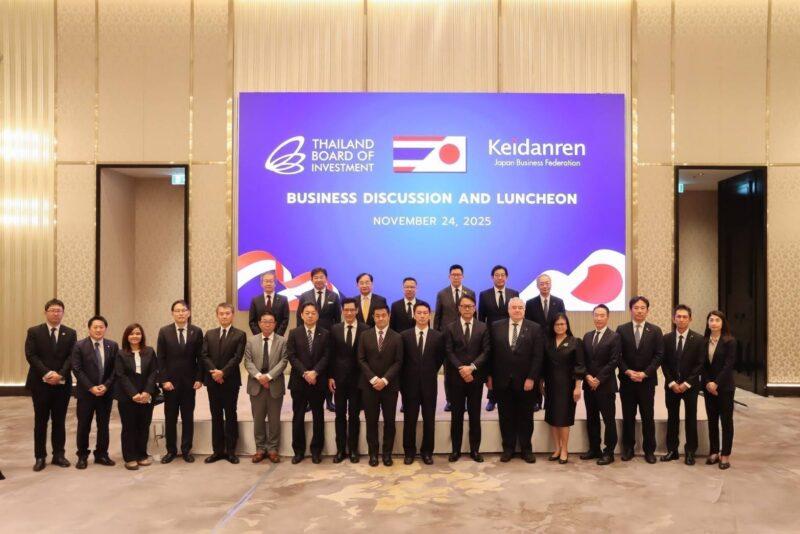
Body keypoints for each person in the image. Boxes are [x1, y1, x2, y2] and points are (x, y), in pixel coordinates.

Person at [488, 297, 543, 463]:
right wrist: (489, 377)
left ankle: (526, 449)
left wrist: (532, 378)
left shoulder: (534, 328)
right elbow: (490, 354)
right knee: (505, 416)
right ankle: (508, 449)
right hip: (502, 381)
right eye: (514, 307)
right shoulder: (496, 326)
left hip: (526, 382)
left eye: (520, 307)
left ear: (524, 310)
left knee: (526, 417)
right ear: (508, 310)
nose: (517, 310)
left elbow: (538, 356)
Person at [25, 298, 77, 472]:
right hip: (40, 383)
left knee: (59, 421)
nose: (56, 313)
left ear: (63, 313)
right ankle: (40, 456)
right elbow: (31, 355)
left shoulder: (70, 333)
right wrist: (47, 373)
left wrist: (60, 374)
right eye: (52, 310)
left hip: (62, 384)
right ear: (45, 312)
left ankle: (59, 455)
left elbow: (72, 356)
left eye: (59, 310)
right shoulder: (34, 331)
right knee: (40, 421)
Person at [616, 296, 664, 464]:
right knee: (628, 416)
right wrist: (627, 371)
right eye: (636, 308)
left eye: (643, 308)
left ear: (647, 310)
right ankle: (628, 448)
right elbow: (617, 355)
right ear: (631, 310)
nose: (639, 311)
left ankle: (649, 450)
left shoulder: (655, 330)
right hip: (627, 381)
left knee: (647, 416)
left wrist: (645, 373)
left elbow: (659, 355)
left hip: (647, 382)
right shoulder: (622, 329)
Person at [156, 299, 203, 464]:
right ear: (172, 313)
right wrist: (164, 380)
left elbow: (201, 358)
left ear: (188, 313)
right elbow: (160, 358)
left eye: (183, 310)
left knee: (188, 417)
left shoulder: (196, 331)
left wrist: (199, 378)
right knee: (170, 418)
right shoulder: (164, 331)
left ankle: (186, 450)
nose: (181, 313)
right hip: (170, 384)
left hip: (190, 383)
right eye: (177, 310)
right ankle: (171, 451)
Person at [444, 294, 489, 462]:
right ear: (459, 308)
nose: (467, 309)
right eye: (464, 306)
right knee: (456, 415)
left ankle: (474, 450)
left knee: (475, 415)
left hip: (475, 378)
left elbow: (486, 351)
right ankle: (455, 450)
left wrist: (472, 368)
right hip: (456, 379)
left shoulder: (483, 327)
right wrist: (462, 369)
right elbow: (448, 351)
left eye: (470, 306)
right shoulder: (450, 327)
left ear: (475, 308)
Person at [200, 303, 246, 464]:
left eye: (227, 313)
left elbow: (237, 358)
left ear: (232, 315)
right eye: (221, 313)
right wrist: (215, 373)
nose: (224, 316)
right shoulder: (209, 334)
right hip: (213, 381)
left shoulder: (240, 334)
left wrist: (223, 373)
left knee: (231, 414)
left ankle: (231, 451)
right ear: (217, 315)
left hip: (230, 381)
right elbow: (204, 355)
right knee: (216, 415)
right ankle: (217, 451)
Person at [358, 303, 403, 466]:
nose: (380, 318)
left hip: (389, 386)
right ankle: (373, 454)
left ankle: (387, 454)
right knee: (371, 421)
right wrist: (373, 379)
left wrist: (384, 380)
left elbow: (398, 362)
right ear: (373, 317)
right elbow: (361, 359)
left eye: (383, 315)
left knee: (389, 422)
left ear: (389, 316)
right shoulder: (365, 335)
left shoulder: (397, 337)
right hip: (369, 386)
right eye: (377, 316)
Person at [400, 302, 445, 465]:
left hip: (429, 385)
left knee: (429, 420)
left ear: (429, 315)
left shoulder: (437, 336)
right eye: (419, 313)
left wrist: (428, 371)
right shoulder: (404, 336)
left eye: (425, 313)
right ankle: (409, 452)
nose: (422, 315)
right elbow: (401, 361)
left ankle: (427, 452)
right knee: (409, 420)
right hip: (409, 385)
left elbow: (439, 359)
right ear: (414, 315)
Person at [71, 315, 118, 468]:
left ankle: (102, 454)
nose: (98, 330)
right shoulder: (79, 345)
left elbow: (116, 369)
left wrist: (106, 385)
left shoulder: (112, 345)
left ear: (105, 328)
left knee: (103, 425)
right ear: (89, 329)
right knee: (84, 425)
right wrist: (91, 387)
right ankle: (82, 456)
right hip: (86, 393)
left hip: (105, 393)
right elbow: (77, 369)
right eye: (95, 327)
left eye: (101, 327)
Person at [661, 304, 705, 465]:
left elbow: (700, 364)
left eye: (685, 317)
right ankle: (672, 450)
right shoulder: (666, 338)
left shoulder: (699, 339)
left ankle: (690, 451)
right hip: (672, 386)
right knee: (672, 418)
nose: (681, 319)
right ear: (674, 319)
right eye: (678, 316)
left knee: (691, 418)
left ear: (690, 319)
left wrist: (687, 383)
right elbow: (663, 363)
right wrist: (672, 382)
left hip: (690, 387)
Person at [287, 302, 330, 464]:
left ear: (317, 315)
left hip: (318, 382)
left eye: (313, 313)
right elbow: (292, 356)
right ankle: (298, 451)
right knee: (298, 417)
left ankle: (316, 451)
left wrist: (315, 372)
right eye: (307, 313)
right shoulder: (294, 333)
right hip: (299, 381)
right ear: (301, 315)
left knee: (318, 416)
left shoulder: (325, 334)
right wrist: (305, 373)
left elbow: (327, 356)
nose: (310, 315)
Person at [243, 311, 288, 464]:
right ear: (259, 323)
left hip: (274, 385)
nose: (267, 324)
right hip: (256, 385)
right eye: (264, 321)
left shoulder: (282, 341)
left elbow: (284, 361)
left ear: (275, 324)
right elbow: (247, 361)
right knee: (258, 419)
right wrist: (259, 377)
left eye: (270, 322)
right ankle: (260, 448)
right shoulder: (251, 341)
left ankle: (273, 449)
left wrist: (268, 377)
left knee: (274, 419)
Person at [328, 298, 368, 463]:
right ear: (342, 311)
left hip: (357, 380)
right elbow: (330, 354)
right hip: (339, 380)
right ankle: (340, 450)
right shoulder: (335, 329)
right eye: (346, 310)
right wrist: (330, 376)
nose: (349, 313)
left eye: (352, 310)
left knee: (354, 415)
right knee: (339, 415)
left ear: (357, 310)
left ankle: (353, 450)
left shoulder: (365, 329)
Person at [580, 304, 621, 465]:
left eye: (602, 315)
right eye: (596, 315)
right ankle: (594, 448)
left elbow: (614, 361)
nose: (598, 318)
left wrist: (598, 379)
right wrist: (587, 376)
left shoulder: (614, 337)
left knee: (608, 420)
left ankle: (609, 452)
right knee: (592, 418)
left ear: (607, 317)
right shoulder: (587, 336)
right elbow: (582, 360)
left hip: (605, 386)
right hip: (589, 385)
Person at [295, 267, 340, 412]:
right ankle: (309, 400)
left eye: (322, 277)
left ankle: (329, 400)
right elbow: (299, 318)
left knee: (327, 367)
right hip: (309, 336)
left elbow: (337, 320)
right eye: (316, 277)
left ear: (326, 279)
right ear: (311, 279)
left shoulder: (334, 296)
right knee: (310, 365)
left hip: (327, 337)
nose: (319, 280)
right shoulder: (305, 296)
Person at [543, 313, 585, 464]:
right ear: (553, 326)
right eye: (557, 324)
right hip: (550, 386)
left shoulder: (575, 342)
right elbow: (543, 365)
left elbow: (579, 366)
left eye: (562, 324)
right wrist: (541, 383)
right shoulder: (547, 342)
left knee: (564, 419)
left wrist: (578, 387)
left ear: (567, 325)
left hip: (567, 386)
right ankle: (557, 448)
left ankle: (565, 449)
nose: (560, 327)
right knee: (553, 418)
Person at [115, 323, 158, 470]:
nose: (135, 336)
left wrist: (147, 391)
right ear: (127, 336)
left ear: (142, 336)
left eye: (138, 333)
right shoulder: (121, 354)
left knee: (144, 426)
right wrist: (133, 394)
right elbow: (121, 375)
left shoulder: (150, 351)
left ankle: (141, 455)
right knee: (129, 427)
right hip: (127, 397)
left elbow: (154, 372)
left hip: (146, 396)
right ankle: (130, 457)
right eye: (132, 333)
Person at [434, 264, 476, 412]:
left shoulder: (470, 292)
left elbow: (475, 316)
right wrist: (438, 338)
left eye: (458, 275)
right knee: (449, 371)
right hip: (448, 339)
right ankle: (450, 400)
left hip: (467, 338)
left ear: (462, 276)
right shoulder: (442, 294)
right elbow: (438, 317)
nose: (456, 277)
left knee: (466, 368)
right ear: (449, 276)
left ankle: (466, 400)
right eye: (453, 275)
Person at [479, 265, 520, 411]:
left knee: (508, 365)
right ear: (492, 277)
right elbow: (481, 318)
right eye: (497, 275)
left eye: (503, 275)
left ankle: (509, 395)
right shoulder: (484, 295)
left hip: (510, 335)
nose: (500, 277)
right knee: (492, 366)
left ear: (506, 277)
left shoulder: (514, 293)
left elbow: (518, 314)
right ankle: (492, 398)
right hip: (491, 337)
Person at [525, 273, 566, 412]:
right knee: (536, 372)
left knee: (551, 373)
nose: (545, 286)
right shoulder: (530, 303)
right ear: (537, 286)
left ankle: (550, 401)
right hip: (535, 344)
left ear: (551, 284)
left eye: (547, 283)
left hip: (554, 344)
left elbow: (563, 322)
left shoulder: (558, 302)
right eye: (541, 283)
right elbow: (527, 324)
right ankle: (536, 401)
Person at [703, 310, 737, 470]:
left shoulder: (730, 341)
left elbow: (728, 365)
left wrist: (716, 383)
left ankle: (725, 454)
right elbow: (702, 365)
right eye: (711, 320)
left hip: (725, 387)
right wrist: (708, 383)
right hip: (708, 388)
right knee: (712, 421)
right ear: (708, 323)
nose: (714, 323)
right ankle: (714, 451)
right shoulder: (703, 341)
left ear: (723, 323)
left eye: (717, 320)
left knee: (726, 422)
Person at [248, 271, 289, 336]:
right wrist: (260, 336)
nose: (268, 284)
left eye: (271, 281)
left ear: (275, 284)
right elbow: (252, 321)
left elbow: (285, 320)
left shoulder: (283, 300)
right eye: (266, 281)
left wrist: (276, 336)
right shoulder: (255, 300)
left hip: (277, 337)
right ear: (261, 284)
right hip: (260, 338)